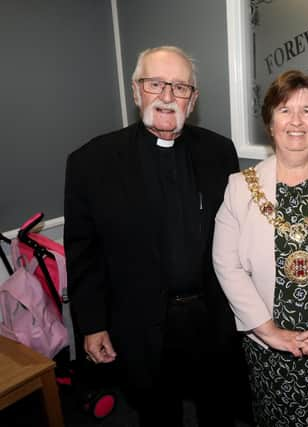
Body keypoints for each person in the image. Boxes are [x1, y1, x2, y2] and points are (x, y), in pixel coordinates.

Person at [64, 46, 245, 427]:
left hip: (210, 319)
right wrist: (92, 324)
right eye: (155, 83)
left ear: (193, 99)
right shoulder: (90, 162)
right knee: (157, 414)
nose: (167, 96)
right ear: (135, 92)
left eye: (180, 87)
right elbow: (84, 252)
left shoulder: (219, 151)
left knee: (219, 411)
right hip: (140, 323)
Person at [213, 70, 308, 426]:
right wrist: (269, 332)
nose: (296, 121)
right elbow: (226, 263)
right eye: (285, 110)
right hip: (271, 350)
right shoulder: (239, 187)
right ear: (270, 123)